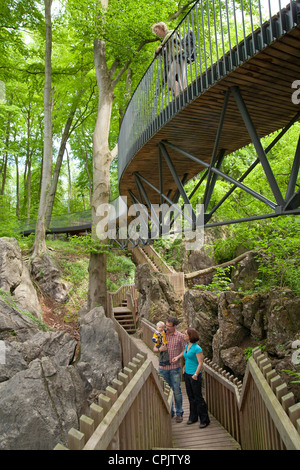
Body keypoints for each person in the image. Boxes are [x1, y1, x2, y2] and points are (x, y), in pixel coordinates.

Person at [173, 327, 210, 428]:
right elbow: (188, 358)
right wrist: (184, 367)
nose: (184, 335)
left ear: (190, 336)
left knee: (198, 397)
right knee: (190, 397)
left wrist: (196, 374)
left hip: (194, 375)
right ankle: (193, 417)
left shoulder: (197, 348)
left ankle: (204, 419)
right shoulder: (187, 346)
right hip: (187, 374)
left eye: (185, 334)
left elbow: (200, 363)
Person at [153, 316, 186, 422]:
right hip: (163, 368)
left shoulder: (180, 336)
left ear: (175, 326)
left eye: (169, 326)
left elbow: (185, 350)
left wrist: (178, 357)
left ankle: (179, 412)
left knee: (176, 390)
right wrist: (159, 349)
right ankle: (170, 411)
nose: (167, 328)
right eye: (166, 325)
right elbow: (154, 348)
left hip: (175, 368)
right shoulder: (161, 334)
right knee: (166, 390)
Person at [152, 22, 187, 97]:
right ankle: (181, 95)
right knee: (178, 79)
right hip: (176, 58)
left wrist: (158, 49)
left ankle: (180, 96)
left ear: (162, 28)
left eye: (156, 31)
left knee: (172, 77)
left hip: (179, 57)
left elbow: (160, 48)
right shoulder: (166, 40)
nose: (156, 33)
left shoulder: (170, 34)